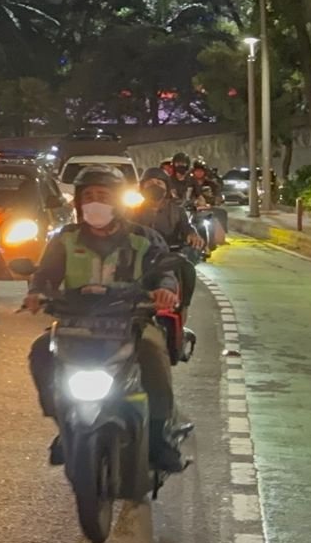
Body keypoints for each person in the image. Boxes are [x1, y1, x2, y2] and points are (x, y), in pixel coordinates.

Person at [22, 165, 187, 472]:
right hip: (75, 325)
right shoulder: (65, 239)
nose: (95, 202)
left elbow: (164, 272)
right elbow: (45, 275)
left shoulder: (144, 238)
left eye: (103, 195)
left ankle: (159, 437)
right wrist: (36, 293)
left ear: (117, 202)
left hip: (131, 323)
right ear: (78, 202)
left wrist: (164, 290)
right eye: (88, 196)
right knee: (41, 349)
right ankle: (64, 425)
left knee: (152, 350)